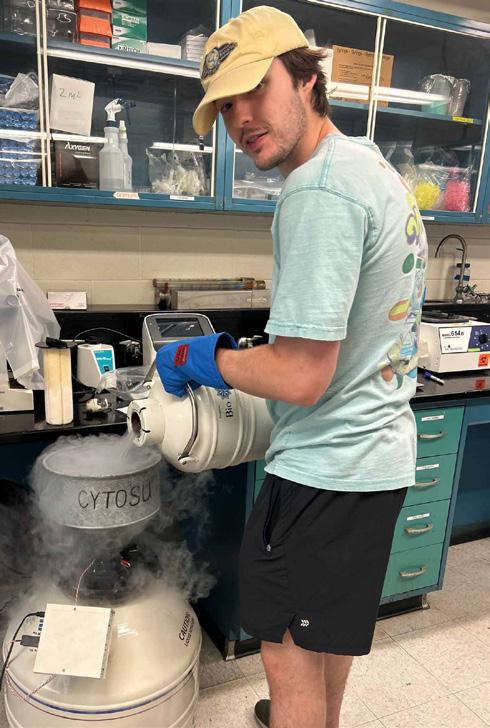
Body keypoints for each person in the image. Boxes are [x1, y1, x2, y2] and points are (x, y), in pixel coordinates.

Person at [156, 6, 428, 728]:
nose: (241, 119)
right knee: (321, 641)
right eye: (225, 107)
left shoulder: (318, 190)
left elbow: (302, 377)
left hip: (323, 474)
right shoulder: (369, 165)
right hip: (376, 462)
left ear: (307, 78)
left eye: (255, 88)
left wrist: (205, 357)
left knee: (287, 661)